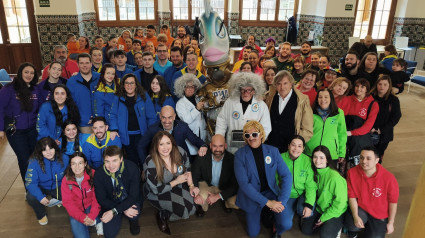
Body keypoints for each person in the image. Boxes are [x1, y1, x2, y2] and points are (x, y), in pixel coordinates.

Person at [234, 121, 292, 238]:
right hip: (252, 196)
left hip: (270, 192)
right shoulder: (240, 155)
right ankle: (266, 211)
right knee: (253, 233)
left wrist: (282, 201)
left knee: (286, 224)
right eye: (247, 135)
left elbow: (287, 175)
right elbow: (244, 185)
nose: (251, 138)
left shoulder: (273, 151)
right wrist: (268, 203)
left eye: (254, 134)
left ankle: (275, 227)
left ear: (261, 135)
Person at [143, 131, 198, 234]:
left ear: (172, 143)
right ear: (156, 146)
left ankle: (168, 211)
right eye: (161, 144)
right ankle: (163, 215)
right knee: (184, 211)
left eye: (168, 143)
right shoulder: (150, 162)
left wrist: (191, 186)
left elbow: (187, 170)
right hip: (156, 192)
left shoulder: (180, 152)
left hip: (176, 185)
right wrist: (177, 181)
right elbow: (157, 190)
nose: (165, 147)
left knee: (193, 208)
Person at [0, 62, 42, 185]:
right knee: (24, 159)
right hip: (16, 132)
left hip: (32, 130)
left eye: (32, 73)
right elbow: (0, 108)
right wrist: (1, 129)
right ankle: (29, 188)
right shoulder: (8, 89)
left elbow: (40, 109)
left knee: (35, 158)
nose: (29, 75)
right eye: (26, 72)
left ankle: (37, 184)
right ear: (20, 73)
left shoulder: (35, 89)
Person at [345, 146, 399, 238]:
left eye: (368, 158)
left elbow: (393, 202)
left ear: (377, 160)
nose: (364, 161)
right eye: (361, 157)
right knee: (351, 223)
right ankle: (353, 233)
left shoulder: (389, 178)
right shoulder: (352, 173)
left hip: (379, 213)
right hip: (361, 208)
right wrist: (355, 216)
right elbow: (352, 196)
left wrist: (391, 222)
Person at [109, 73, 157, 168]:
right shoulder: (118, 97)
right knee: (131, 161)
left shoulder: (144, 96)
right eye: (126, 83)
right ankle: (135, 179)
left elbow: (151, 116)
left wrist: (150, 132)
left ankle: (146, 177)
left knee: (143, 158)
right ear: (123, 85)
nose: (129, 85)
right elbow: (113, 115)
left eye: (132, 83)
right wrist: (114, 129)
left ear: (136, 85)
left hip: (142, 135)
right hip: (125, 136)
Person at [215, 72, 271, 153]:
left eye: (249, 90)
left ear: (254, 91)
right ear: (238, 89)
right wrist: (219, 138)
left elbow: (266, 127)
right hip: (232, 147)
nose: (246, 93)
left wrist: (256, 142)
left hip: (252, 147)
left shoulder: (261, 105)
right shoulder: (230, 102)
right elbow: (221, 121)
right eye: (243, 90)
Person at [94, 145, 141, 237]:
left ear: (121, 159)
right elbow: (102, 199)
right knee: (109, 234)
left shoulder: (132, 168)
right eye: (107, 161)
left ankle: (133, 221)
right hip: (111, 203)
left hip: (129, 199)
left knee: (134, 214)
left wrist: (116, 210)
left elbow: (134, 195)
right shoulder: (99, 173)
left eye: (114, 160)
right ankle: (122, 212)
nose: (111, 166)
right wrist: (119, 209)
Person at [300, 146, 347, 237]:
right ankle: (326, 225)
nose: (317, 160)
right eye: (315, 157)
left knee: (325, 235)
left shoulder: (335, 178)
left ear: (327, 160)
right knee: (305, 230)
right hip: (320, 207)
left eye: (321, 157)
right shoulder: (314, 172)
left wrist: (324, 218)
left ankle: (336, 228)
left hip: (336, 210)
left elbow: (340, 204)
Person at [137, 106, 208, 165]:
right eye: (164, 117)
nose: (166, 121)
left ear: (174, 117)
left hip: (181, 161)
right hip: (161, 163)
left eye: (170, 117)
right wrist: (145, 165)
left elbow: (194, 139)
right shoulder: (153, 129)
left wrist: (203, 145)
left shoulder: (183, 126)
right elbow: (140, 146)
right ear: (160, 117)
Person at [265, 70, 313, 153]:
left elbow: (307, 129)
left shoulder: (302, 100)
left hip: (290, 151)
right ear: (275, 85)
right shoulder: (269, 98)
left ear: (291, 84)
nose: (282, 87)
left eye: (285, 83)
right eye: (279, 84)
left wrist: (296, 146)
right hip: (270, 146)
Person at [25, 137, 70, 225]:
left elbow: (69, 177)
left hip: (58, 186)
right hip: (41, 187)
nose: (48, 152)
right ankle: (41, 214)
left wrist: (67, 191)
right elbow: (30, 182)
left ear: (55, 148)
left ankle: (58, 199)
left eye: (51, 148)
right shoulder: (34, 161)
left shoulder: (65, 158)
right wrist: (40, 197)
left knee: (72, 195)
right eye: (44, 150)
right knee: (31, 197)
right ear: (40, 151)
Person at [192, 134, 238, 216]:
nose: (217, 149)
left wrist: (218, 196)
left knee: (235, 203)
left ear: (225, 146)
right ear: (210, 146)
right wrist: (197, 194)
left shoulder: (232, 159)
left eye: (221, 146)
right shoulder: (202, 156)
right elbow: (194, 176)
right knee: (199, 200)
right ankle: (202, 207)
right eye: (214, 146)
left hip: (224, 187)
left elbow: (235, 185)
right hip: (207, 184)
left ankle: (225, 202)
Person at [279, 135, 317, 233]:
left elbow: (311, 186)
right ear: (288, 146)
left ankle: (301, 213)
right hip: (286, 195)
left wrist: (308, 205)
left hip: (302, 194)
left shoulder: (308, 161)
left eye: (299, 146)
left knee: (306, 210)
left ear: (303, 148)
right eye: (293, 145)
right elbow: (274, 181)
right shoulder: (280, 158)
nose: (296, 148)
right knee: (285, 224)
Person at [61, 152, 103, 237]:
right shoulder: (66, 180)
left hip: (91, 205)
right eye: (74, 164)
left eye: (80, 163)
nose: (77, 167)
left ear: (85, 164)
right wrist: (83, 218)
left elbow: (97, 197)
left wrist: (91, 216)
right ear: (70, 165)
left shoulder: (94, 174)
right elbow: (68, 203)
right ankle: (92, 222)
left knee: (103, 217)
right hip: (76, 209)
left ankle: (97, 221)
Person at [339, 78, 379, 167]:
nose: (359, 89)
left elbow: (368, 126)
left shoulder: (373, 104)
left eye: (362, 87)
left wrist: (351, 133)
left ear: (367, 89)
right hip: (344, 131)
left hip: (360, 134)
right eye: (357, 86)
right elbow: (338, 118)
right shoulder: (346, 99)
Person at [305, 88, 347, 169]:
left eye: (326, 97)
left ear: (331, 98)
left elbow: (342, 134)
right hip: (311, 152)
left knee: (328, 178)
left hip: (331, 153)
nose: (323, 99)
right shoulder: (310, 112)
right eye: (320, 97)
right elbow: (305, 131)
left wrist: (342, 153)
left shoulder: (339, 113)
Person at [175, 74, 207, 160]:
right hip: (189, 139)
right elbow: (186, 120)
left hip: (202, 136)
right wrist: (196, 109)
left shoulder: (198, 99)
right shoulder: (180, 103)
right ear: (183, 88)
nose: (190, 89)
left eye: (192, 87)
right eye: (187, 87)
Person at [67, 53, 101, 133]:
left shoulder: (100, 78)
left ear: (91, 64)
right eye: (81, 63)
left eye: (87, 63)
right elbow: (70, 104)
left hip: (101, 121)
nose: (84, 65)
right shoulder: (71, 82)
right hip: (83, 124)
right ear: (78, 65)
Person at [370, 75, 401, 160]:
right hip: (369, 130)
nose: (382, 87)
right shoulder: (370, 97)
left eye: (385, 84)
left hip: (384, 133)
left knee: (378, 154)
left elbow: (396, 116)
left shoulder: (394, 100)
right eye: (380, 84)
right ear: (376, 85)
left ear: (389, 86)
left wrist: (382, 129)